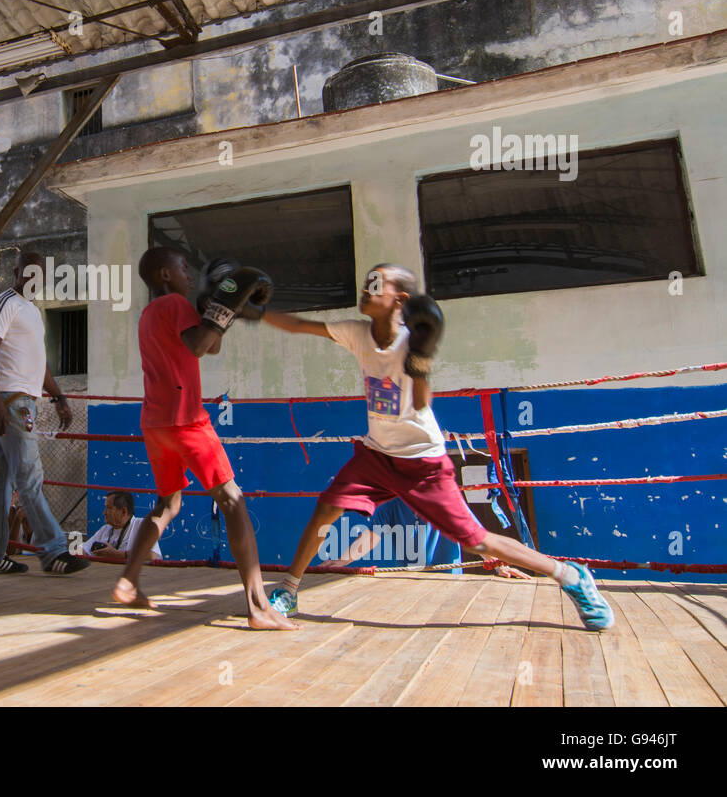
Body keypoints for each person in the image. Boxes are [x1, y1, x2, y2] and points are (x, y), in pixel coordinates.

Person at [261, 263, 613, 630]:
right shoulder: (356, 332)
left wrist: (421, 360)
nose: (365, 289)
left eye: (376, 285)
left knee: (477, 541)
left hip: (422, 463)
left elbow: (422, 402)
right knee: (326, 508)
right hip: (377, 456)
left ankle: (571, 575)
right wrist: (254, 311)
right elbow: (300, 325)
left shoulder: (412, 342)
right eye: (366, 283)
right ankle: (288, 590)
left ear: (400, 299)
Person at [112, 249, 295, 630]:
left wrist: (220, 309)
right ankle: (259, 605)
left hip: (156, 423)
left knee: (167, 504)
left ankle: (129, 581)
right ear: (164, 274)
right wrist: (226, 301)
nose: (189, 275)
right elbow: (199, 346)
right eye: (182, 269)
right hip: (186, 419)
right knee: (233, 500)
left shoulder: (149, 315)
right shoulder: (174, 303)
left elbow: (211, 344)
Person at [0, 251, 88, 575]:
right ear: (17, 272)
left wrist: (60, 396)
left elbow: (38, 366)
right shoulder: (6, 302)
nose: (35, 279)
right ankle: (53, 550)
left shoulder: (33, 313)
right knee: (29, 475)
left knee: (3, 479)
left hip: (22, 399)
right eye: (31, 272)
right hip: (10, 400)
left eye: (41, 274)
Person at [83, 491, 162, 561]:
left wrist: (118, 554)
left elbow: (151, 555)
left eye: (109, 508)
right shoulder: (106, 529)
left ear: (124, 511)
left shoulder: (142, 524)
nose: (104, 513)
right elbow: (83, 549)